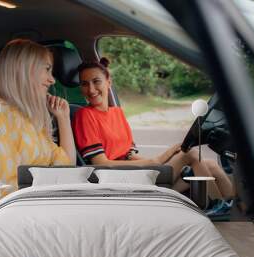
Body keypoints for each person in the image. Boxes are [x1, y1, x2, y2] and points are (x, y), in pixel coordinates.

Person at [72, 57, 234, 201]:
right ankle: (216, 206)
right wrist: (155, 161)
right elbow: (101, 164)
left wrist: (161, 160)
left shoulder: (116, 113)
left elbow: (129, 155)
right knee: (191, 154)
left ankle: (235, 210)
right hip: (119, 179)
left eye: (96, 81)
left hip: (133, 172)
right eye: (84, 84)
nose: (91, 90)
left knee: (210, 164)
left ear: (108, 82)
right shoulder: (84, 115)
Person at [0, 39, 76, 216]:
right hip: (12, 217)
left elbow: (66, 167)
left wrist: (63, 119)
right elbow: (7, 190)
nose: (52, 79)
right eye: (47, 69)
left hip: (35, 208)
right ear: (25, 71)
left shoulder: (28, 118)